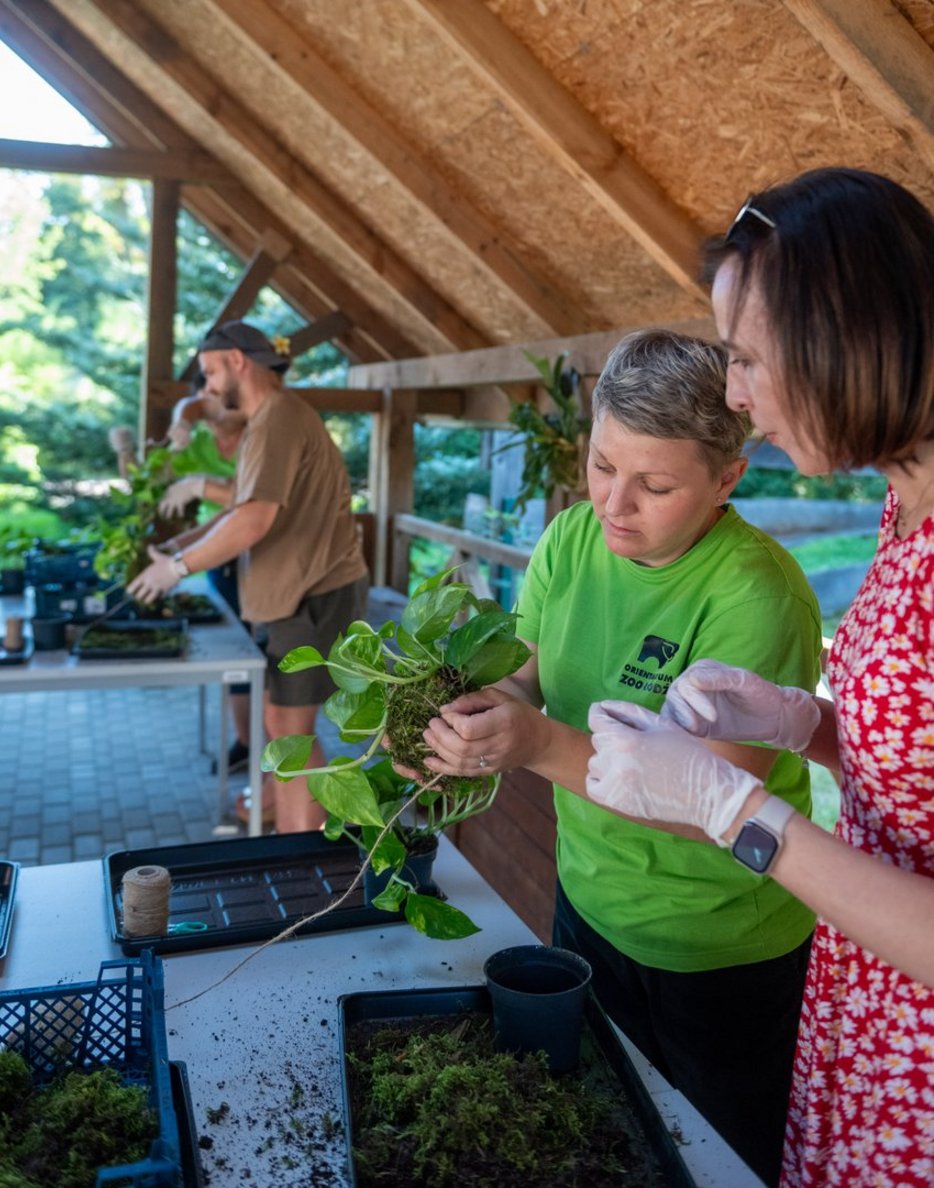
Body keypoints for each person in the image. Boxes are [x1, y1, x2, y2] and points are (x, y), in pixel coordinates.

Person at [585, 168, 934, 1187]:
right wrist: (798, 724)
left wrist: (732, 806)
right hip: (865, 1015)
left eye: (744, 359)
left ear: (845, 335)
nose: (733, 394)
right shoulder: (902, 501)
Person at [420, 328, 823, 1185]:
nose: (615, 503)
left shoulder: (756, 593)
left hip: (720, 953)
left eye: (655, 485)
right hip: (588, 905)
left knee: (717, 1165)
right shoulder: (571, 541)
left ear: (727, 480)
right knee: (600, 1143)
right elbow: (523, 680)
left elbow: (715, 810)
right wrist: (477, 718)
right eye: (603, 465)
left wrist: (535, 744)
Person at [128, 320, 369, 834]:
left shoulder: (279, 417)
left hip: (313, 593)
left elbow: (255, 520)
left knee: (290, 733)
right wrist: (177, 546)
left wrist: (176, 569)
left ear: (238, 360)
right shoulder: (267, 420)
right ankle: (282, 818)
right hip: (289, 597)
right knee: (282, 727)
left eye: (210, 372)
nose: (209, 386)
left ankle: (297, 854)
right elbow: (241, 507)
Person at [160, 376, 256, 790]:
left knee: (254, 653)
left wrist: (200, 486)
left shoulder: (258, 436)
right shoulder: (200, 444)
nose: (215, 407)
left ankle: (258, 743)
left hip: (259, 553)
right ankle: (246, 740)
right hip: (218, 553)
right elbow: (156, 474)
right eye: (209, 398)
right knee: (236, 649)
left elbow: (249, 498)